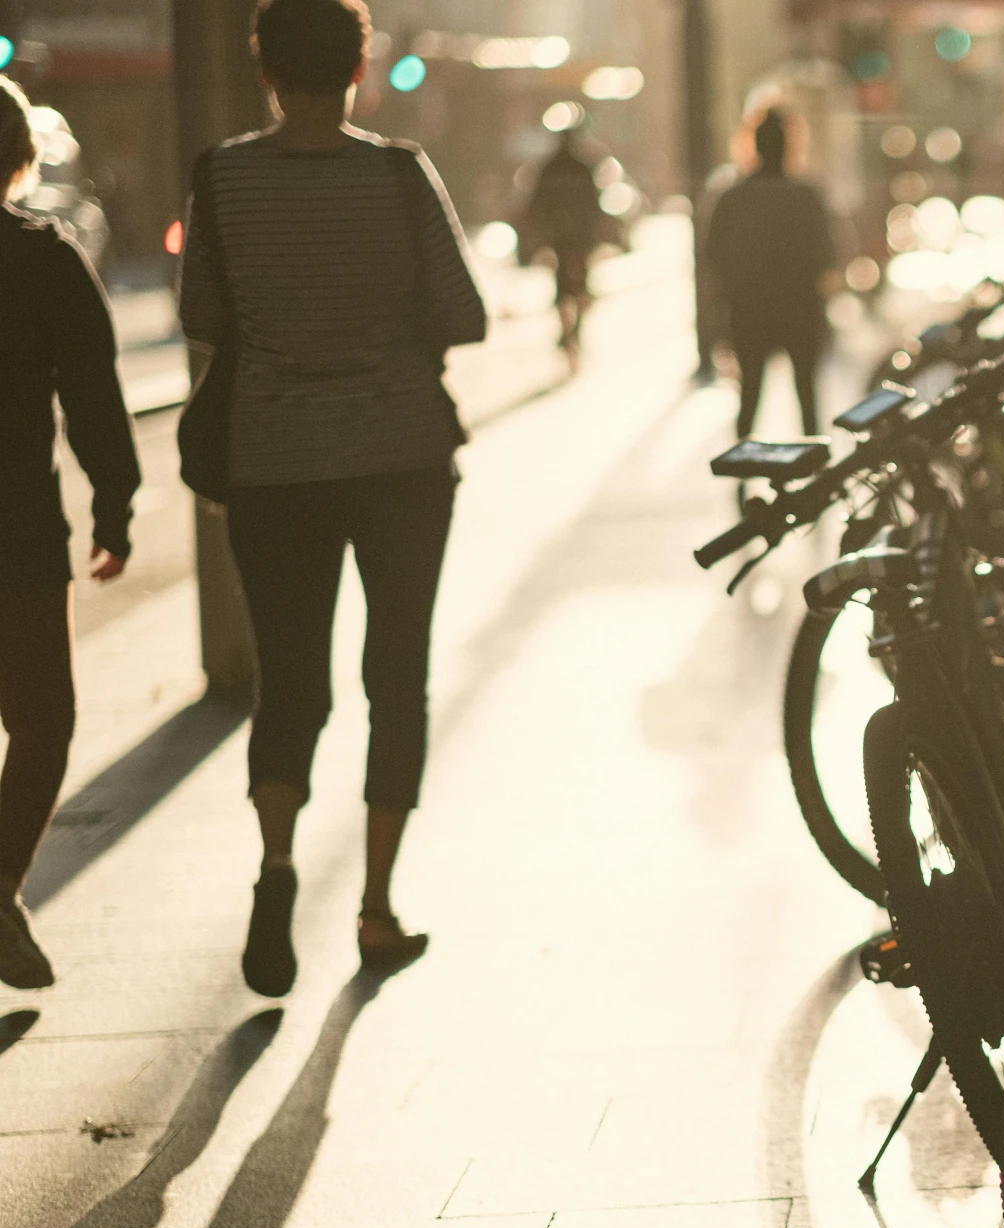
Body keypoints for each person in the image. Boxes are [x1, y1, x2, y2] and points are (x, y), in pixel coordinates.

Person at [178, 0, 487, 996]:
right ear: (359, 65)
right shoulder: (396, 174)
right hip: (399, 456)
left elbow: (203, 315)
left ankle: (276, 868)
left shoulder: (222, 177)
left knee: (291, 681)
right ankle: (378, 905)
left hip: (273, 461)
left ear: (265, 69)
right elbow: (466, 312)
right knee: (396, 676)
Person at [0, 75, 139, 989]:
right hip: (15, 530)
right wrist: (115, 503)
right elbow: (93, 391)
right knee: (44, 721)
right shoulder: (43, 257)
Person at [706, 108, 837, 440]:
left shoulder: (732, 199)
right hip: (800, 308)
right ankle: (815, 475)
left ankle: (741, 474)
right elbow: (827, 256)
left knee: (749, 395)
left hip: (749, 310)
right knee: (807, 397)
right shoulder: (806, 197)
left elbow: (714, 257)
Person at [520, 127, 603, 364]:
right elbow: (594, 203)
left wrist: (542, 230)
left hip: (560, 237)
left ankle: (568, 328)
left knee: (563, 286)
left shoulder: (550, 167)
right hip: (577, 238)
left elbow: (536, 202)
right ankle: (574, 328)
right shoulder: (581, 167)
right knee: (579, 286)